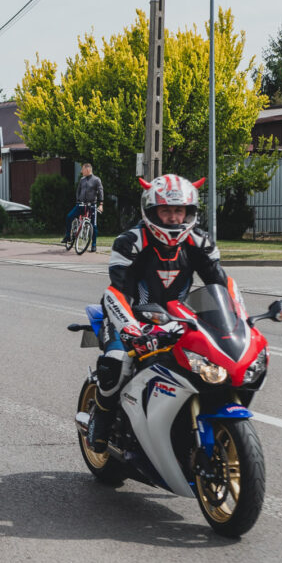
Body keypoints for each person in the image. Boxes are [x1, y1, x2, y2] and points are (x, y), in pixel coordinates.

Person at [86, 174, 228, 453]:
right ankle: (100, 421)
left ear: (190, 212)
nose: (174, 218)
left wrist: (236, 322)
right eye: (166, 210)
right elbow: (118, 292)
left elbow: (220, 286)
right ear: (152, 211)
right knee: (116, 362)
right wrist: (131, 330)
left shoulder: (200, 242)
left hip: (176, 319)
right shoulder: (130, 242)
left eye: (180, 211)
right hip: (126, 315)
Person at [61, 163, 104, 251]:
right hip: (80, 205)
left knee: (94, 226)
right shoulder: (82, 180)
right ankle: (68, 236)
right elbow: (78, 191)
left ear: (87, 170)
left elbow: (100, 192)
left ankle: (94, 245)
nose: (81, 171)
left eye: (82, 169)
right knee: (69, 217)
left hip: (92, 205)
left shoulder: (96, 180)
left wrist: (101, 204)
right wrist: (78, 201)